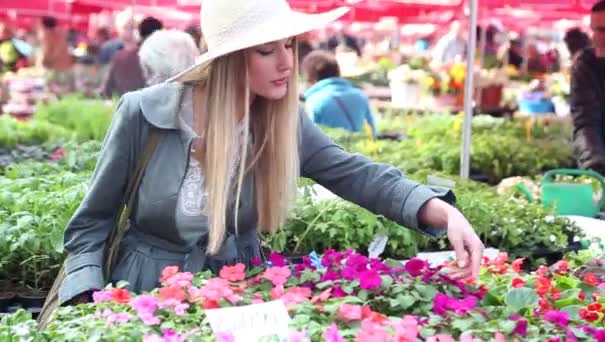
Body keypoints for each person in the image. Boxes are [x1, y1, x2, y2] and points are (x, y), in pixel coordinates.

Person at [59, 0, 483, 306]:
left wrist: (439, 210)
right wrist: (88, 300)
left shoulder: (283, 122)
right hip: (141, 299)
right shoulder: (144, 113)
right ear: (228, 60)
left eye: (290, 45)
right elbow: (92, 222)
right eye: (267, 51)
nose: (286, 63)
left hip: (238, 298)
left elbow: (358, 175)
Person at [571, 0, 605, 176]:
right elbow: (585, 120)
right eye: (595, 30)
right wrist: (595, 166)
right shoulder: (585, 65)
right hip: (601, 161)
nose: (597, 37)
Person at [301, 50, 377, 135]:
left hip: (329, 147)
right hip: (357, 145)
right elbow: (373, 131)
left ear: (310, 76)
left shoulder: (315, 101)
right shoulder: (360, 96)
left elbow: (311, 137)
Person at [101, 17, 163, 98]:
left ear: (140, 33)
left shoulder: (119, 56)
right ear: (160, 35)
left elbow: (107, 91)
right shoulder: (159, 60)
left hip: (122, 106)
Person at [37, 16, 74, 93]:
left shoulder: (48, 35)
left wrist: (45, 61)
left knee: (53, 91)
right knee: (63, 91)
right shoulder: (62, 34)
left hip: (54, 69)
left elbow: (48, 52)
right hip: (65, 67)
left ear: (44, 25)